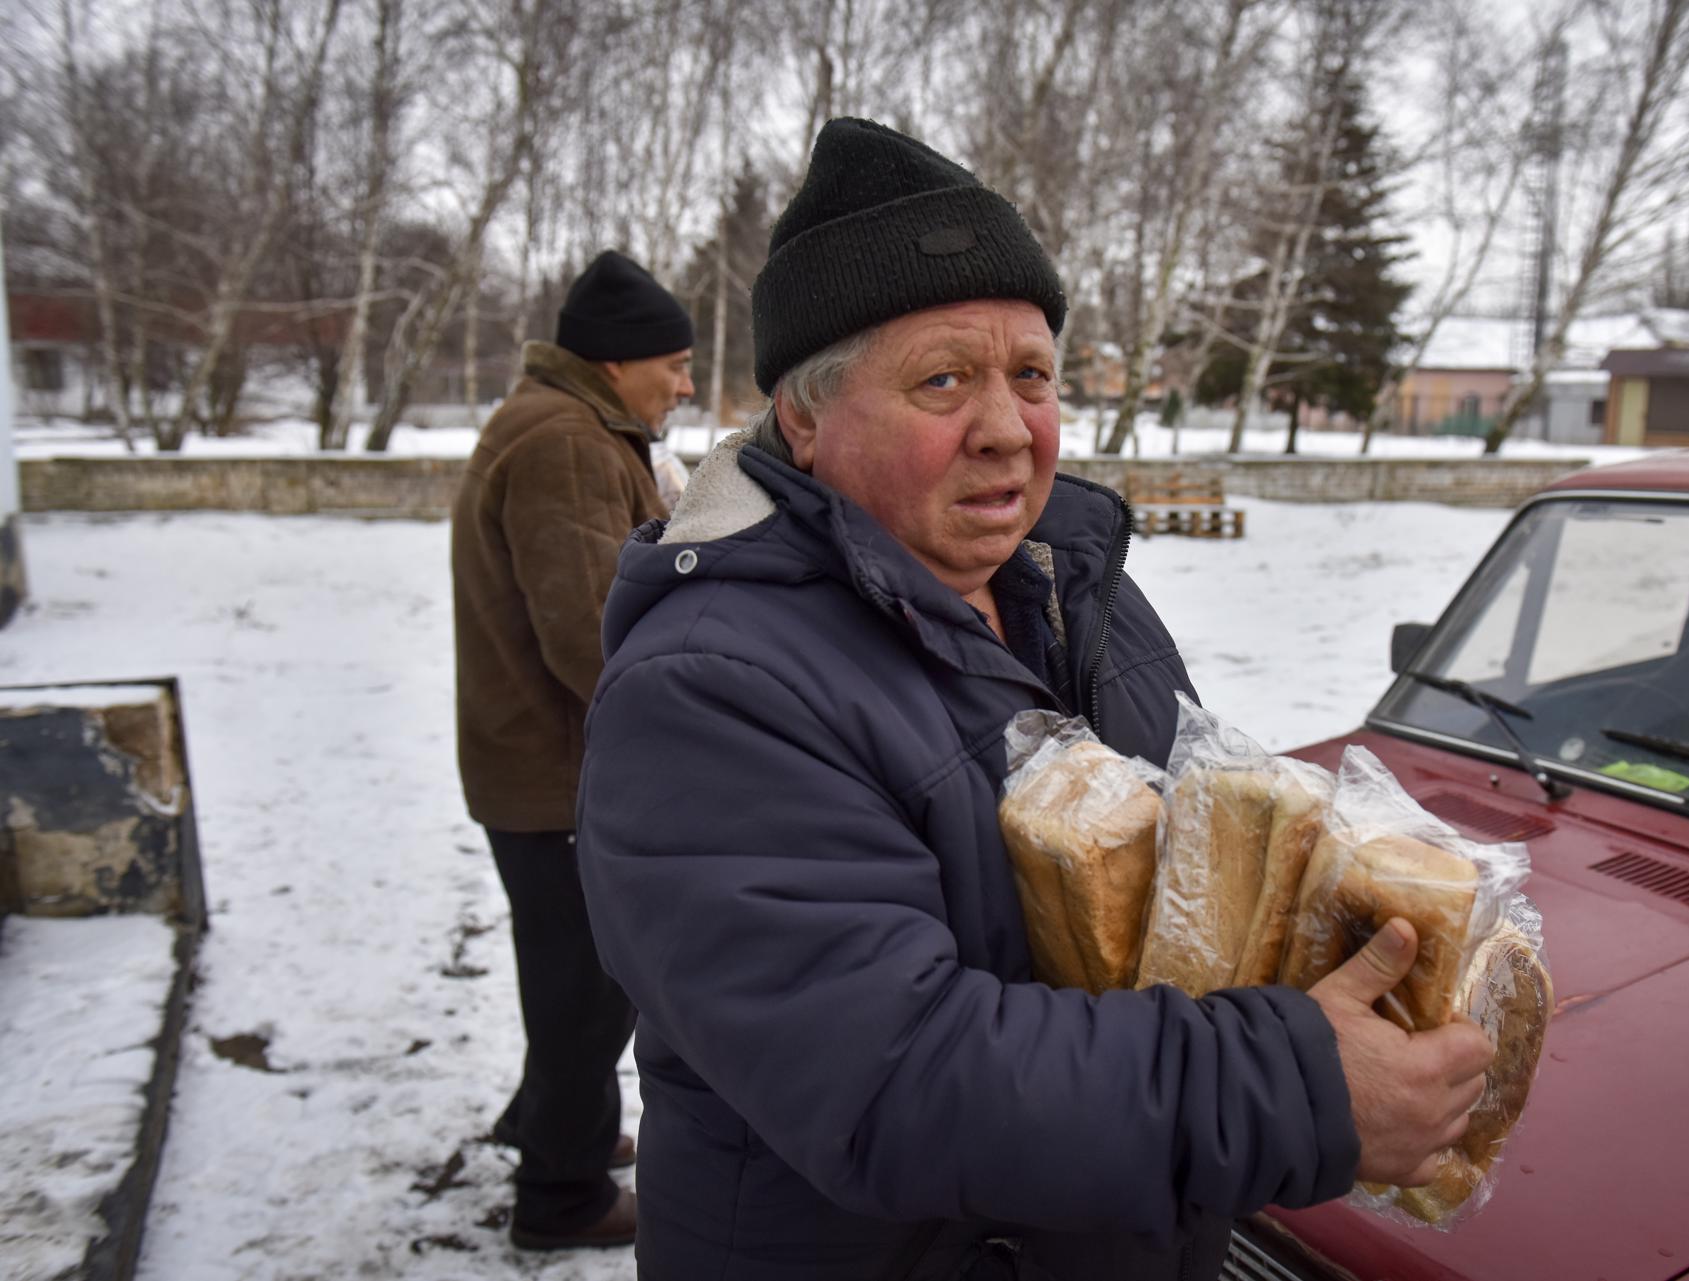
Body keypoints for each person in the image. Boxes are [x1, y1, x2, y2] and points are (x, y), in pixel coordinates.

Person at [577, 120, 1492, 1280]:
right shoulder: (709, 688)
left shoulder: (1077, 586)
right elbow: (893, 1080)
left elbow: (1195, 888)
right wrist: (1298, 1084)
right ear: (803, 421)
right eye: (944, 379)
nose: (1009, 429)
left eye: (1034, 375)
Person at [451, 249, 694, 1251]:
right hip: (560, 778)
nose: (684, 384)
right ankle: (562, 1198)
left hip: (539, 765)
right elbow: (593, 629)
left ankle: (545, 1121)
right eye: (673, 364)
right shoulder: (566, 442)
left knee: (570, 980)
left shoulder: (563, 424)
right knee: (587, 996)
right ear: (616, 361)